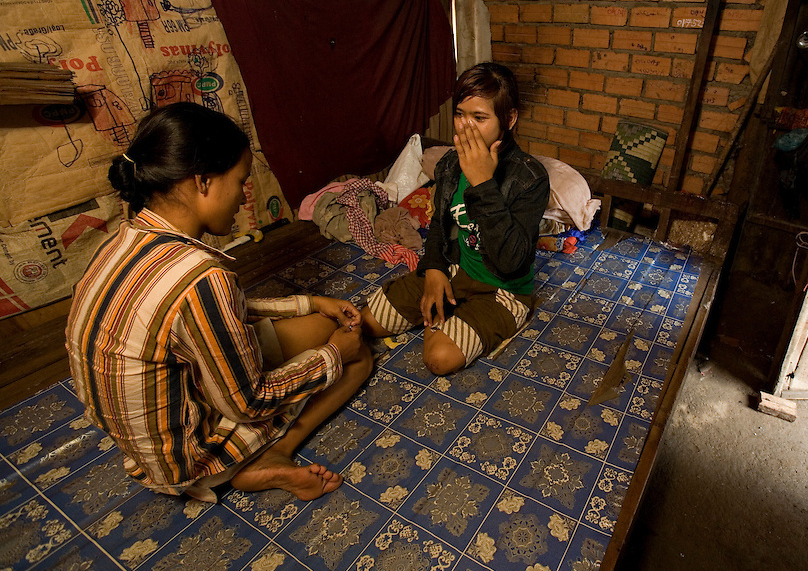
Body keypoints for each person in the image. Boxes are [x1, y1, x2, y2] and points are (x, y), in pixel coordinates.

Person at [66, 102, 372, 503]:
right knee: (358, 354)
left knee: (315, 325)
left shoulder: (123, 241)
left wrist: (309, 301)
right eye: (241, 181)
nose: (243, 197)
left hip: (144, 448)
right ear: (204, 182)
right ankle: (270, 454)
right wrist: (333, 353)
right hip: (187, 460)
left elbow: (218, 315)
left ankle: (270, 441)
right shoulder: (201, 276)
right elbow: (249, 402)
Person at [360, 62, 549, 375]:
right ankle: (450, 308)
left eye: (480, 117)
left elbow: (511, 261)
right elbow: (439, 225)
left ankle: (463, 319)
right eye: (460, 114)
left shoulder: (529, 177)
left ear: (509, 119)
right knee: (366, 322)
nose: (465, 128)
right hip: (456, 268)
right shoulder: (450, 164)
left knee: (438, 358)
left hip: (504, 289)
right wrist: (434, 269)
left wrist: (484, 185)